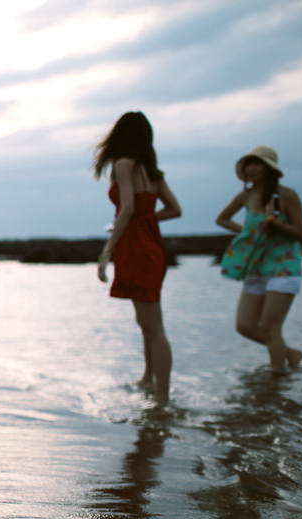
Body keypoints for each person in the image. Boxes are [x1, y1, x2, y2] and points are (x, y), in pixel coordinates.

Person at [94, 112, 182, 404]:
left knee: (154, 325)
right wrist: (148, 219)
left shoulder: (123, 165)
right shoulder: (152, 172)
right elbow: (174, 210)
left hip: (135, 248)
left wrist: (107, 250)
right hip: (152, 245)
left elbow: (128, 207)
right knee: (147, 320)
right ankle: (148, 378)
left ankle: (162, 399)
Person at [215, 145, 302, 373]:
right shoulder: (246, 196)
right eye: (250, 164)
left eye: (258, 164)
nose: (253, 169)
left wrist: (276, 224)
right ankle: (290, 355)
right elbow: (222, 219)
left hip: (284, 268)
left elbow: (301, 232)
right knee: (244, 326)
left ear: (269, 168)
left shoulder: (286, 195)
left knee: (270, 327)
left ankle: (277, 382)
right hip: (256, 267)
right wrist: (247, 232)